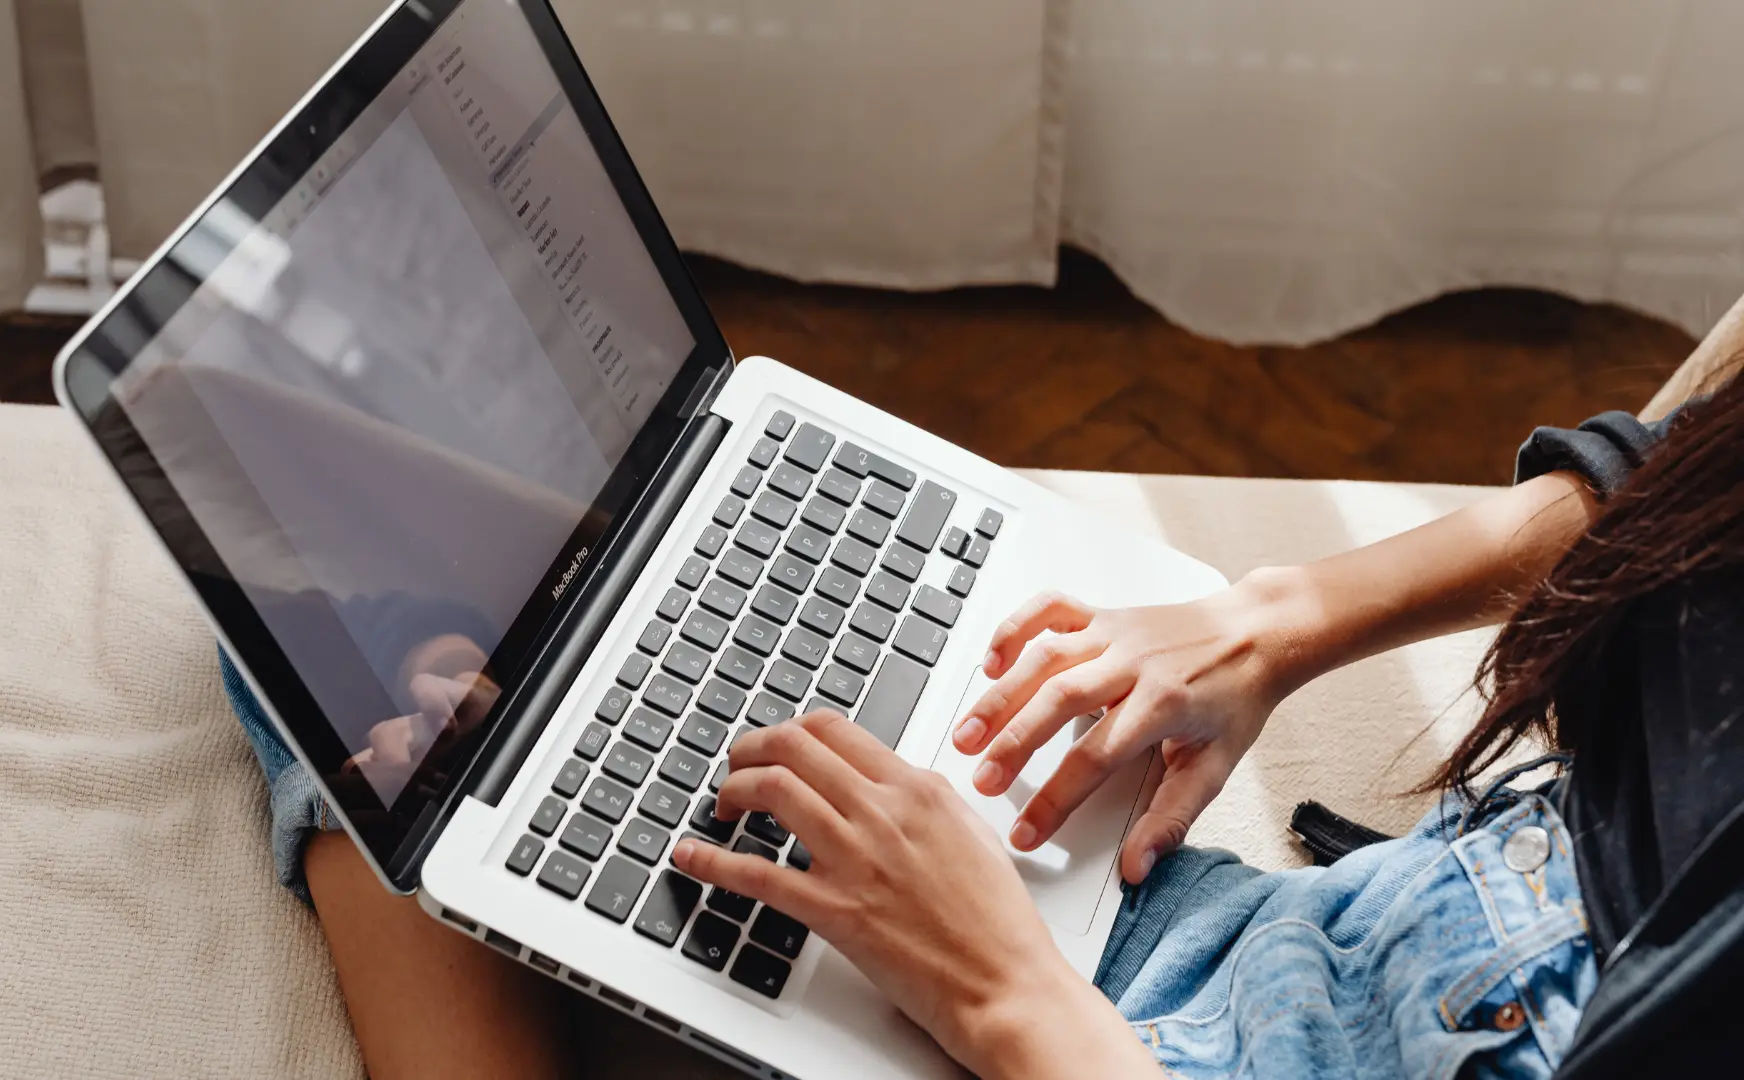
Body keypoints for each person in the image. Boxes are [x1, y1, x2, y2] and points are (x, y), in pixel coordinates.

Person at [227, 361, 1740, 1079]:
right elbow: (1675, 477)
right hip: (1320, 947)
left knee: (334, 658)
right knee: (339, 503)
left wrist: (1010, 997)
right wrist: (1271, 621)